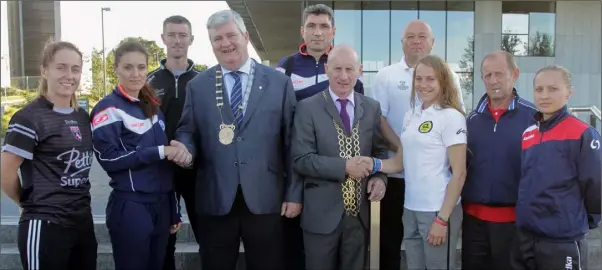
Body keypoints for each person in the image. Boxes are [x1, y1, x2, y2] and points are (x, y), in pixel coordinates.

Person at [171, 10, 302, 270]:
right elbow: (188, 129)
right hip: (216, 197)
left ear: (245, 35)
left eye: (231, 35)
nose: (225, 43)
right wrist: (184, 147)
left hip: (266, 199)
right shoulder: (198, 85)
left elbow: (293, 142)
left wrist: (294, 193)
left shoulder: (279, 82)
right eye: (217, 38)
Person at [368, 19, 465, 269]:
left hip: (436, 209)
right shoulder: (412, 115)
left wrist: (443, 219)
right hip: (410, 209)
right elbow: (401, 161)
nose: (423, 85)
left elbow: (459, 172)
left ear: (443, 81)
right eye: (419, 79)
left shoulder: (451, 116)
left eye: (430, 79)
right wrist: (371, 163)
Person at [90, 40, 188, 270]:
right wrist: (160, 151)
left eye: (141, 67)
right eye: (128, 67)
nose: (136, 74)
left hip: (161, 205)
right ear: (115, 69)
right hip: (131, 205)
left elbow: (165, 167)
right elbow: (109, 159)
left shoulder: (152, 106)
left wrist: (173, 208)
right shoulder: (108, 109)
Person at [0, 41, 97, 270]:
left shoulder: (82, 116)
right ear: (45, 70)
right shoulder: (29, 118)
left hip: (82, 223)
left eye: (75, 69)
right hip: (45, 223)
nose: (69, 75)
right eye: (61, 67)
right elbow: (5, 172)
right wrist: (25, 202)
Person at [291, 44, 388, 270]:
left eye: (349, 69)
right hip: (321, 217)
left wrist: (379, 178)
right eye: (337, 69)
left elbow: (380, 152)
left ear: (359, 70)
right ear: (327, 69)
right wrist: (344, 167)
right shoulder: (307, 108)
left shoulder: (372, 108)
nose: (343, 76)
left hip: (360, 217)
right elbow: (301, 159)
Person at [510, 65, 601, 270]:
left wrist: (584, 221)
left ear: (569, 92)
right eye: (539, 89)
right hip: (526, 236)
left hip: (562, 240)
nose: (544, 95)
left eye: (553, 89)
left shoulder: (583, 133)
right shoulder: (528, 134)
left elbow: (595, 185)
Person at [460, 50, 537, 270]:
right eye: (487, 75)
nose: (493, 80)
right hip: (474, 224)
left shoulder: (534, 118)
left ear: (515, 74)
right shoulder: (470, 121)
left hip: (515, 224)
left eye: (499, 74)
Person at [146, 15, 201, 270]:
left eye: (182, 35)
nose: (177, 41)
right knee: (165, 234)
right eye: (172, 35)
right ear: (163, 38)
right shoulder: (149, 81)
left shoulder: (204, 81)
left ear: (191, 39)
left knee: (206, 231)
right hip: (161, 169)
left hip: (196, 169)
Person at [276, 3, 364, 102]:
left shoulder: (350, 65)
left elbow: (359, 107)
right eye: (311, 26)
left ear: (333, 32)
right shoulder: (286, 66)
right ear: (302, 31)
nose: (317, 33)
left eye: (324, 26)